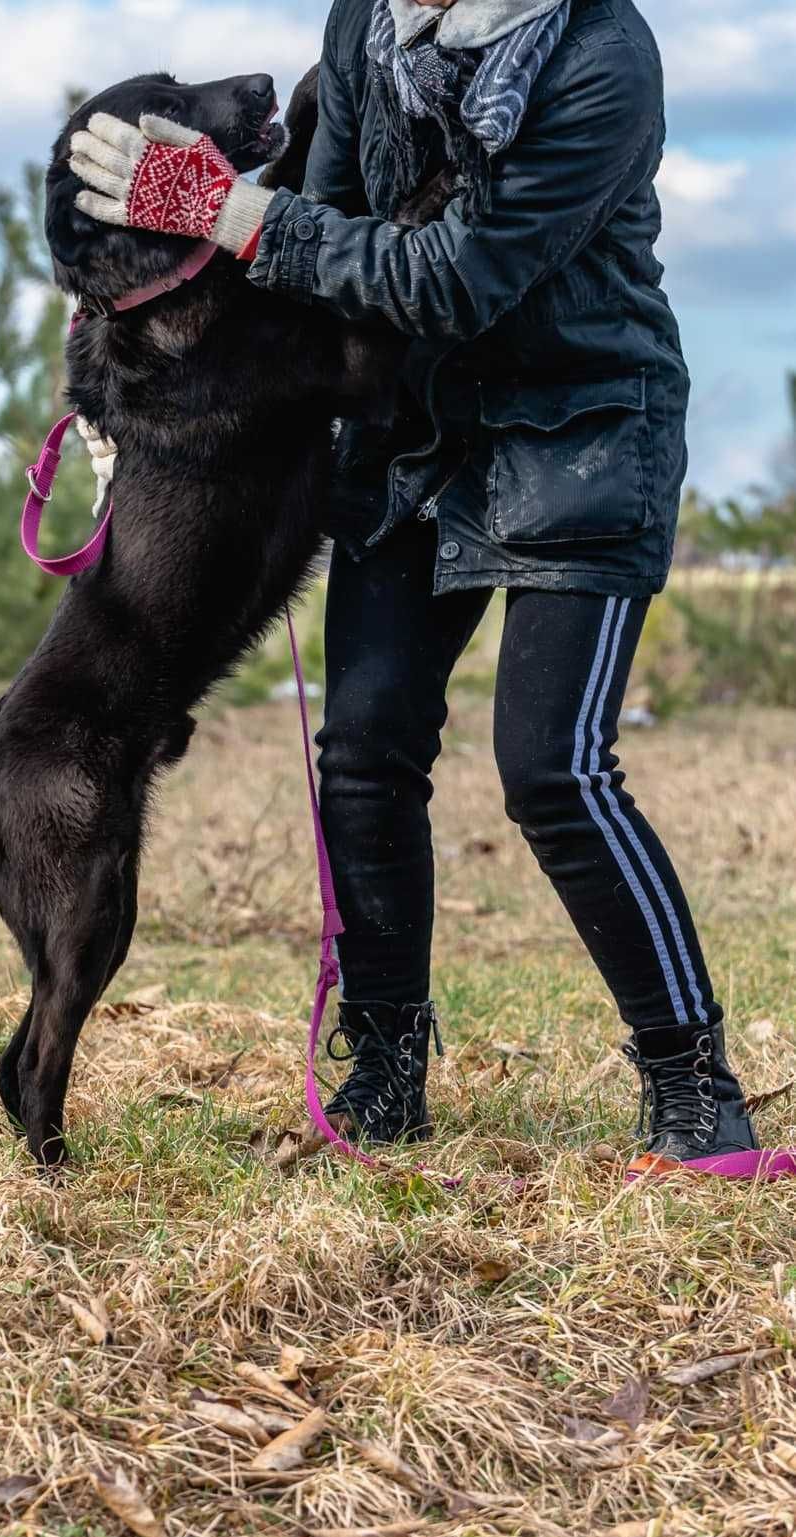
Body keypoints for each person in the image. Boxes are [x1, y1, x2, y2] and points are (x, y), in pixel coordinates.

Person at [65, 0, 764, 1174]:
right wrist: (114, 357)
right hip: (401, 430)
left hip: (580, 427)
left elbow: (459, 279)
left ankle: (695, 1084)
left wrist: (231, 214)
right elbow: (321, 229)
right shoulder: (367, 23)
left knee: (553, 769)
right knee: (366, 749)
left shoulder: (599, 55)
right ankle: (388, 1068)